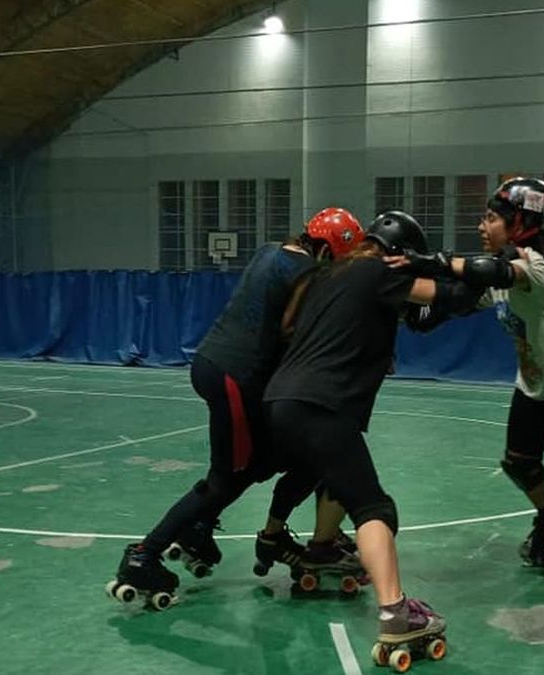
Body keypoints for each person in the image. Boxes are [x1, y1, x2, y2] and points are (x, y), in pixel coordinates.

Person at [391, 177, 544, 612]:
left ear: (520, 223)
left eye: (491, 218)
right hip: (535, 383)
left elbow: (488, 270)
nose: (482, 225)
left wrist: (432, 260)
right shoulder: (505, 272)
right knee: (518, 463)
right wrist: (390, 282)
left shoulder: (533, 266)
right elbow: (449, 297)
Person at [107, 207, 365, 607]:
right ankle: (144, 554)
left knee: (260, 462)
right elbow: (290, 331)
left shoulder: (269, 251)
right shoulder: (308, 274)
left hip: (216, 364)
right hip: (235, 376)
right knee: (228, 478)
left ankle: (201, 526)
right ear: (328, 253)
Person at [264, 211, 481, 664]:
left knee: (336, 479)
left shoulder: (332, 273)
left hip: (282, 400)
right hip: (323, 403)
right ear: (399, 252)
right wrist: (477, 276)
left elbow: (416, 315)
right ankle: (395, 613)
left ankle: (321, 548)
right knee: (374, 508)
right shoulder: (377, 271)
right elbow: (447, 297)